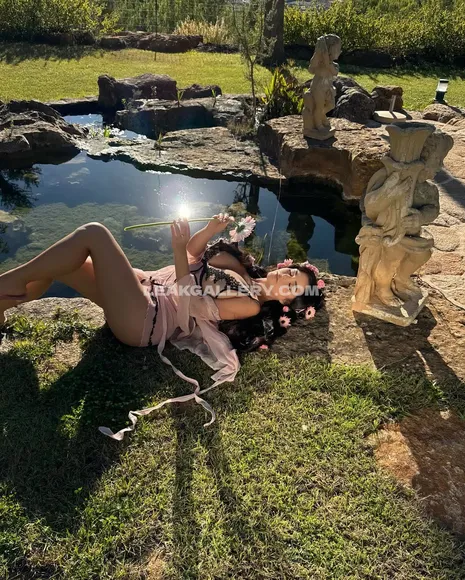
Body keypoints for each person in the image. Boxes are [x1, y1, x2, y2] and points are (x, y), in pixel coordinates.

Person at [0, 215, 324, 439]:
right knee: (63, 263)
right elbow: (194, 256)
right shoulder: (243, 268)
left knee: (94, 233)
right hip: (144, 287)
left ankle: (3, 285)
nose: (287, 278)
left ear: (286, 302)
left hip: (146, 317)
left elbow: (189, 304)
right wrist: (209, 229)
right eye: (292, 273)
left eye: (293, 286)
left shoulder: (249, 304)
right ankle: (3, 304)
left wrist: (176, 251)